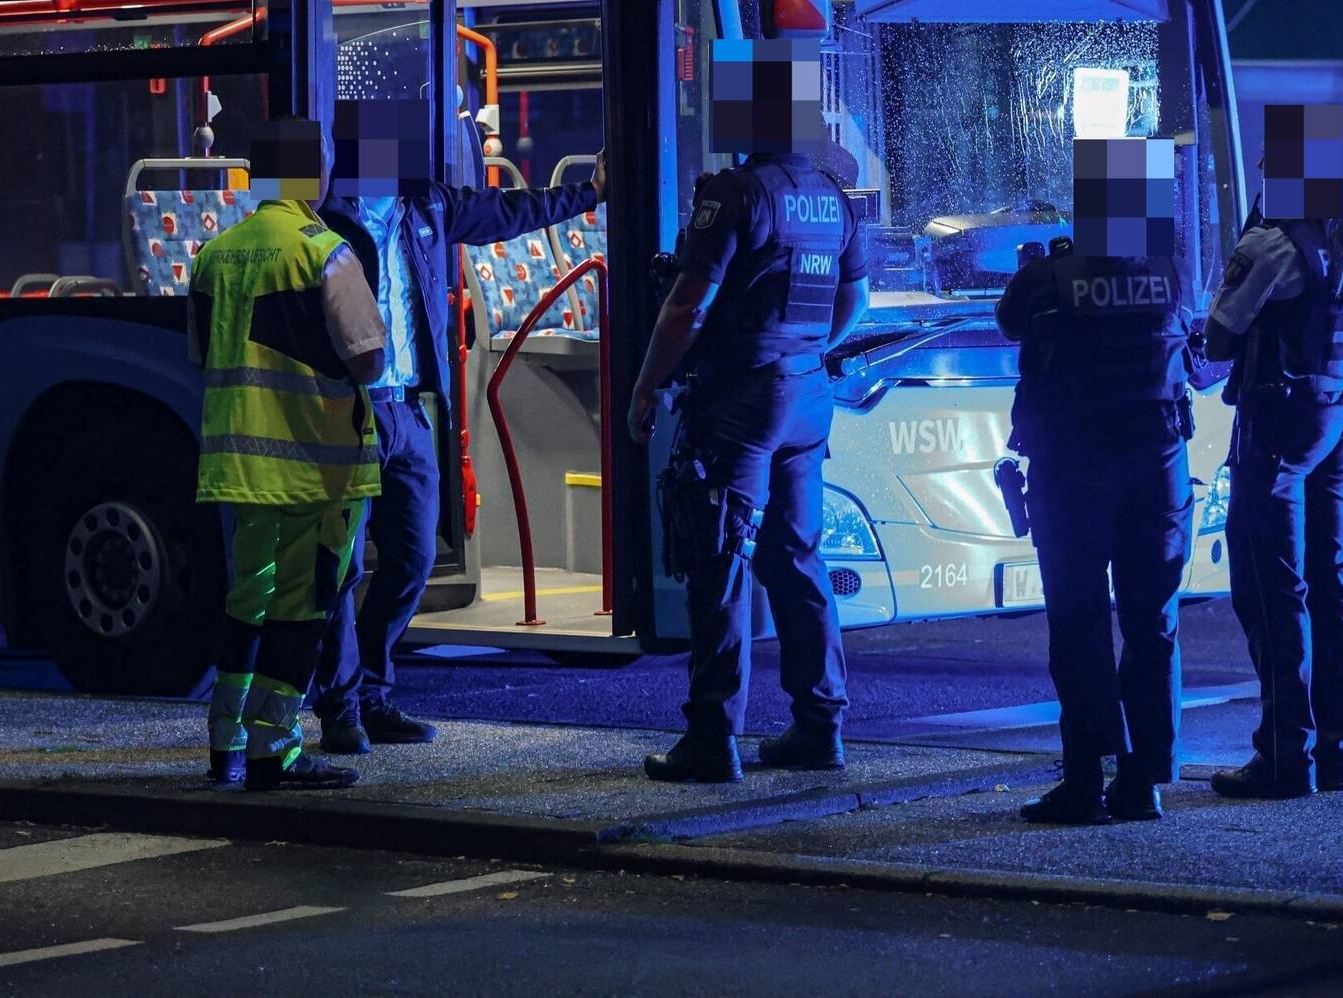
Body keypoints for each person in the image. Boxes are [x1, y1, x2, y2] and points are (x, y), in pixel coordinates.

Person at [307, 145, 608, 754]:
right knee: (339, 570)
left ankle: (369, 691)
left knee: (413, 558)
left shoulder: (427, 206)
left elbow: (507, 211)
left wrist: (591, 192)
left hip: (410, 411)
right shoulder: (321, 216)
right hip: (347, 410)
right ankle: (341, 708)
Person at [630, 150, 869, 783]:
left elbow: (689, 305)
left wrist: (646, 385)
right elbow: (856, 298)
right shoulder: (832, 196)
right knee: (796, 558)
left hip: (742, 398)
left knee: (720, 562)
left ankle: (712, 737)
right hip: (807, 395)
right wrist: (807, 352)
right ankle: (820, 728)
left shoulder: (737, 194)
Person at [192, 117, 387, 791]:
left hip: (236, 465)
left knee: (247, 600)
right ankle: (277, 751)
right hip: (316, 465)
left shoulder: (214, 253)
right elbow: (367, 359)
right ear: (313, 173)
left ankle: (226, 745)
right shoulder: (324, 251)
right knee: (303, 609)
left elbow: (203, 356)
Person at [995, 234, 1196, 824]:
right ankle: (1142, 784)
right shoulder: (1170, 269)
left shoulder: (1051, 276)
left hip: (1075, 470)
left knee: (1079, 624)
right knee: (1152, 622)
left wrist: (1037, 266)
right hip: (1157, 470)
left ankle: (1084, 781)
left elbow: (1009, 322)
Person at [1203, 203, 1343, 799]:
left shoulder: (1273, 246)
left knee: (1270, 587)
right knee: (1333, 581)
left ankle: (1283, 757)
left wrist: (1245, 242)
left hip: (1281, 420)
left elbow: (1217, 337)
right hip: (1341, 414)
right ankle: (1337, 756)